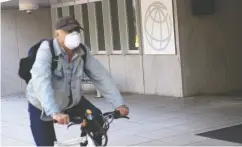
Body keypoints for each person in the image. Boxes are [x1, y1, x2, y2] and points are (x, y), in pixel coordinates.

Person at [26, 16, 129, 146]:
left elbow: (101, 76)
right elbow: (41, 80)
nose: (74, 34)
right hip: (42, 105)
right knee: (46, 143)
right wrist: (54, 112)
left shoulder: (82, 51)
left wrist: (118, 103)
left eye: (76, 30)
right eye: (69, 31)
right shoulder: (47, 49)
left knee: (97, 120)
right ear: (57, 33)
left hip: (72, 102)